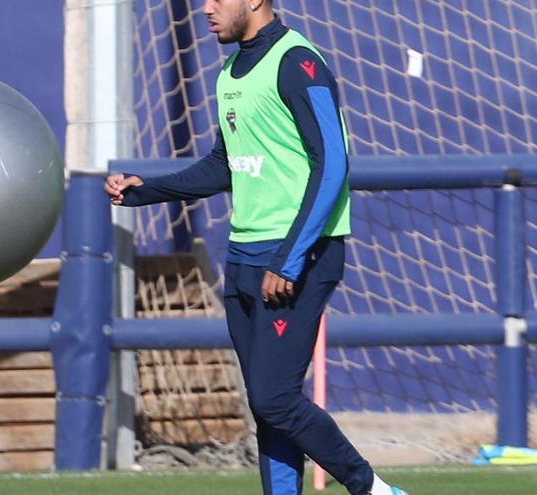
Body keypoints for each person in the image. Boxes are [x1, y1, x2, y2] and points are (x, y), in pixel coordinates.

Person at [105, 1, 409, 494]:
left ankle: (371, 489)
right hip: (245, 258)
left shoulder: (297, 61)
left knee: (275, 399)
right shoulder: (229, 72)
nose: (206, 8)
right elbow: (224, 165)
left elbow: (332, 164)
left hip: (296, 258)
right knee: (269, 408)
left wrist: (288, 258)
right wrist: (147, 190)